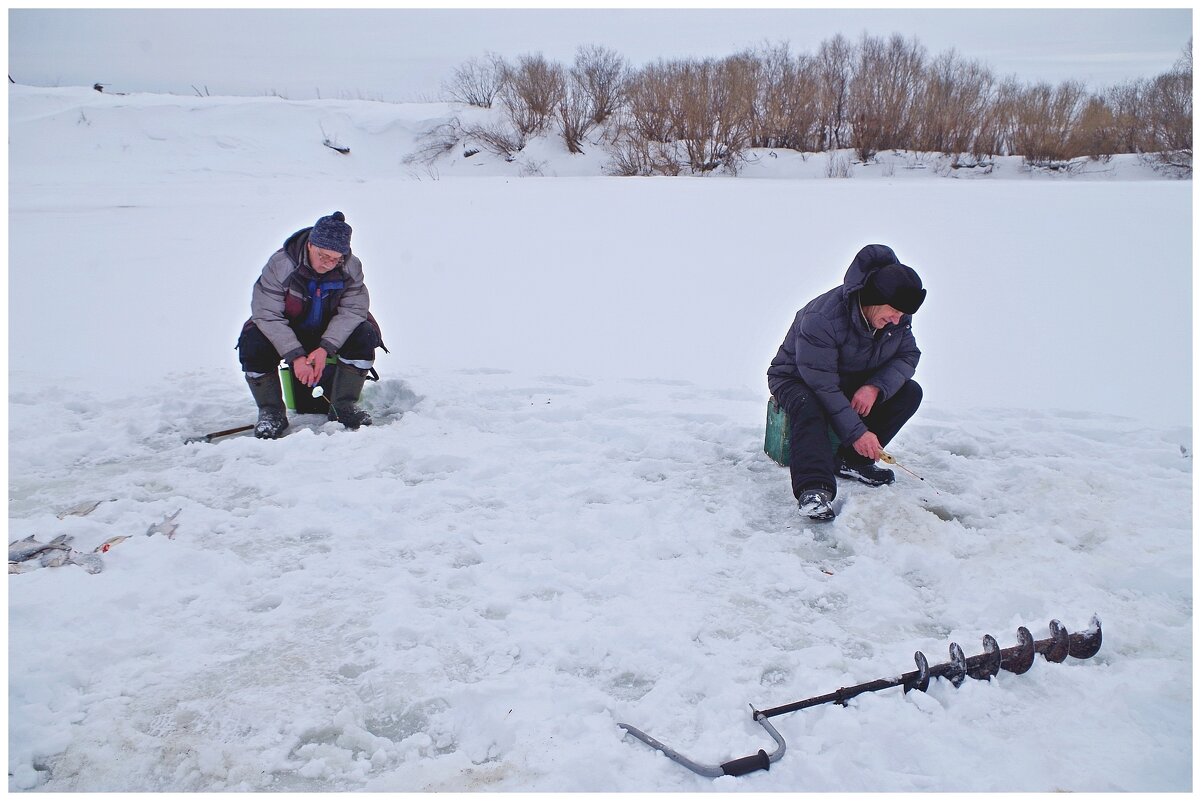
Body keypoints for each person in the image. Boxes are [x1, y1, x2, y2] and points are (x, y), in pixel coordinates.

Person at [767, 244, 926, 521]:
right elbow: (822, 385)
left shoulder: (897, 318)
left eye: (902, 315)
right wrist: (857, 433)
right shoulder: (823, 318)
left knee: (909, 392)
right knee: (810, 405)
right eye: (893, 312)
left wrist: (874, 386)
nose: (897, 320)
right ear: (876, 297)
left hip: (849, 377)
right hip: (798, 378)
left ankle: (852, 461)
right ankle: (813, 489)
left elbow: (908, 354)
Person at [237, 211, 383, 439]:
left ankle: (343, 407)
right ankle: (271, 412)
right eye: (323, 256)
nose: (329, 264)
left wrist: (326, 348)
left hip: (329, 332)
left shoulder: (350, 267)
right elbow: (266, 314)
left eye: (336, 258)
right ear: (310, 245)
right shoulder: (281, 264)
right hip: (288, 330)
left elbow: (354, 310)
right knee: (252, 341)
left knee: (364, 334)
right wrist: (295, 356)